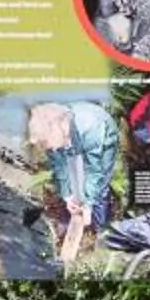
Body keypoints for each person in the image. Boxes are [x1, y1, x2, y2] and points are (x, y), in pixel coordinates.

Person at [24, 98, 119, 265]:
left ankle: (99, 228)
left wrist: (88, 204)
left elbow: (94, 170)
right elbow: (59, 166)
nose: (49, 148)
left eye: (47, 143)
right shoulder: (51, 134)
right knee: (73, 177)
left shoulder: (92, 127)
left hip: (102, 136)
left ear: (58, 128)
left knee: (100, 183)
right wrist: (68, 196)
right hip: (72, 134)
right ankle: (71, 225)